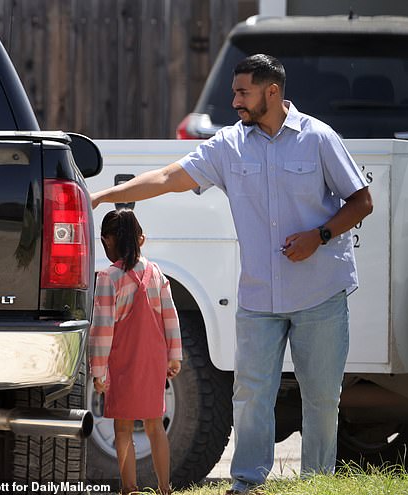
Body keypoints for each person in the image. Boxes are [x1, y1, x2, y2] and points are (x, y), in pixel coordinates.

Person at [90, 54, 373, 494]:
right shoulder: (228, 145)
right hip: (259, 297)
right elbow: (167, 177)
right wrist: (108, 194)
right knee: (250, 394)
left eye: (243, 92)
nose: (235, 100)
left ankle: (317, 484)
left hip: (321, 292)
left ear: (272, 92)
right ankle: (247, 482)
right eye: (235, 91)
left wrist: (318, 235)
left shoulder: (318, 139)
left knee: (320, 397)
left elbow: (361, 201)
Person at [89, 209, 182, 495]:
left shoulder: (109, 277)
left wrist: (99, 371)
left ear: (108, 241)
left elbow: (103, 328)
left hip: (123, 363)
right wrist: (174, 355)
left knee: (123, 429)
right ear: (141, 238)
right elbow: (170, 316)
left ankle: (130, 488)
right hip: (153, 360)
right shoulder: (155, 273)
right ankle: (165, 488)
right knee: (156, 426)